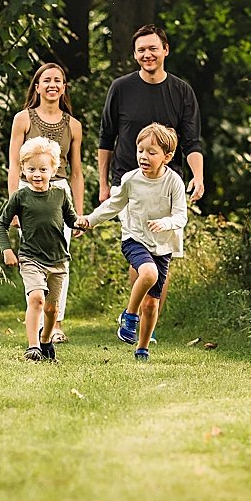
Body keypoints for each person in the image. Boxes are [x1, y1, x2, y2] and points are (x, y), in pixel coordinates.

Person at [96, 24, 204, 335]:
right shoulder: (121, 88)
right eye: (141, 50)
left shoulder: (181, 91)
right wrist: (104, 184)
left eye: (153, 48)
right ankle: (134, 319)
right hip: (128, 182)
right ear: (135, 54)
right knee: (140, 252)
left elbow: (192, 141)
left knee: (163, 253)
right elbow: (107, 138)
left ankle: (148, 323)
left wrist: (197, 176)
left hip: (167, 184)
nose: (147, 54)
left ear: (165, 50)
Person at [76, 123, 187, 361]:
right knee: (148, 274)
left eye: (151, 152)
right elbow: (112, 205)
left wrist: (166, 223)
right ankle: (129, 315)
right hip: (134, 238)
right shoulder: (130, 179)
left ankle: (142, 348)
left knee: (152, 305)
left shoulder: (174, 181)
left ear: (167, 157)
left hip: (162, 245)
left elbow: (181, 216)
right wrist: (90, 221)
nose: (143, 156)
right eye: (140, 150)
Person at [6, 62, 85, 342]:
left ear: (63, 88)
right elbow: (14, 165)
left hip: (60, 192)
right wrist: (13, 203)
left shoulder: (73, 125)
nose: (52, 85)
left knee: (60, 257)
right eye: (47, 80)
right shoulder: (23, 119)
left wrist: (79, 212)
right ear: (37, 86)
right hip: (28, 191)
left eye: (58, 81)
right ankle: (35, 316)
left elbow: (76, 172)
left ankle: (57, 323)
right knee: (33, 255)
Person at [0, 136, 79, 362]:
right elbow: (1, 224)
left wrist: (81, 223)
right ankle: (33, 347)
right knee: (37, 299)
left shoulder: (60, 195)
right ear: (23, 169)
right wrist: (7, 249)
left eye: (43, 169)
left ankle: (46, 340)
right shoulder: (21, 196)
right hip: (30, 258)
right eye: (31, 169)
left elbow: (71, 219)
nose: (37, 174)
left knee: (51, 310)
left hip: (58, 260)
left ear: (54, 169)